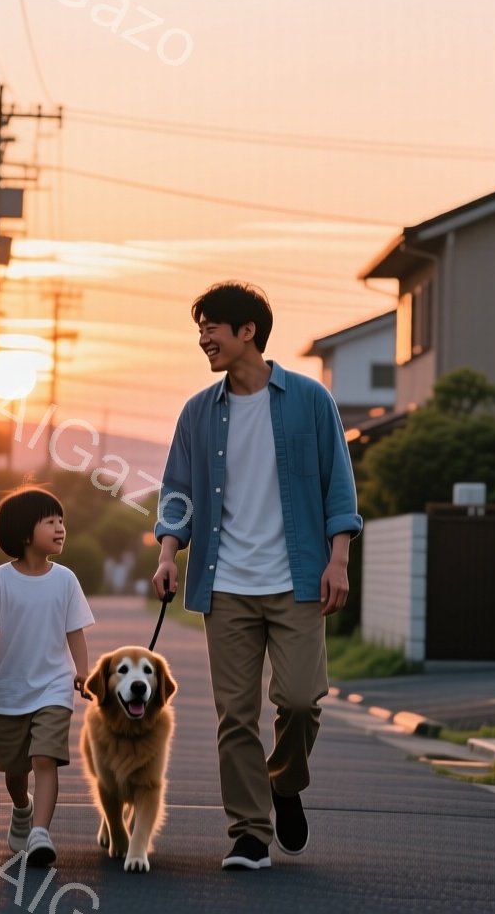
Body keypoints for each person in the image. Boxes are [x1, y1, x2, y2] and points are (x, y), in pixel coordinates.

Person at [150, 281, 363, 871]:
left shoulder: (310, 401)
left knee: (299, 701)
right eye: (200, 329)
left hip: (298, 579)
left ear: (248, 332)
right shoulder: (198, 411)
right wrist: (168, 554)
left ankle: (285, 782)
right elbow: (177, 493)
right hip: (226, 584)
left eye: (212, 327)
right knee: (235, 716)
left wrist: (338, 559)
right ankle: (248, 833)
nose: (203, 339)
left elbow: (337, 484)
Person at [0, 487, 93, 869]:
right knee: (14, 770)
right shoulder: (0, 581)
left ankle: (40, 832)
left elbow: (76, 632)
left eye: (61, 521)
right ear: (23, 534)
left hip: (53, 688)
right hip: (10, 693)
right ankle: (22, 807)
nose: (60, 528)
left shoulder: (66, 580)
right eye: (50, 521)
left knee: (45, 758)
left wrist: (83, 671)